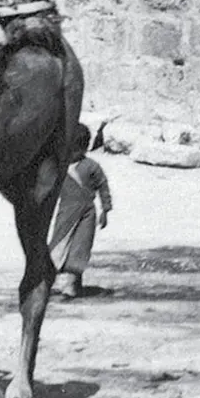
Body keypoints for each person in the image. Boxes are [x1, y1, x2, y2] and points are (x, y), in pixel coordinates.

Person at [49, 123, 112, 298]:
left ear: (84, 148)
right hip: (65, 213)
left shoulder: (91, 166)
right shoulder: (58, 166)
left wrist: (105, 210)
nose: (72, 154)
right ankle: (49, 281)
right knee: (58, 246)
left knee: (80, 247)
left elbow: (103, 186)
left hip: (87, 214)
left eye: (76, 150)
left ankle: (72, 286)